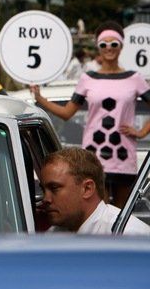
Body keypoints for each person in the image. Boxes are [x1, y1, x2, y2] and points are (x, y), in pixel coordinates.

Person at [31, 22, 150, 207]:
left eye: (114, 44)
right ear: (98, 47)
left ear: (121, 46)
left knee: (122, 213)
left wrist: (142, 132)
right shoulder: (88, 78)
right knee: (96, 211)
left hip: (123, 155)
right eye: (104, 44)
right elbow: (67, 112)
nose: (109, 49)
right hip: (94, 156)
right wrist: (40, 98)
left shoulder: (134, 79)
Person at [41, 147, 150, 235]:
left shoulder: (130, 237)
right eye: (43, 190)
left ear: (87, 189)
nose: (45, 199)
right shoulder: (54, 235)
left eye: (54, 188)